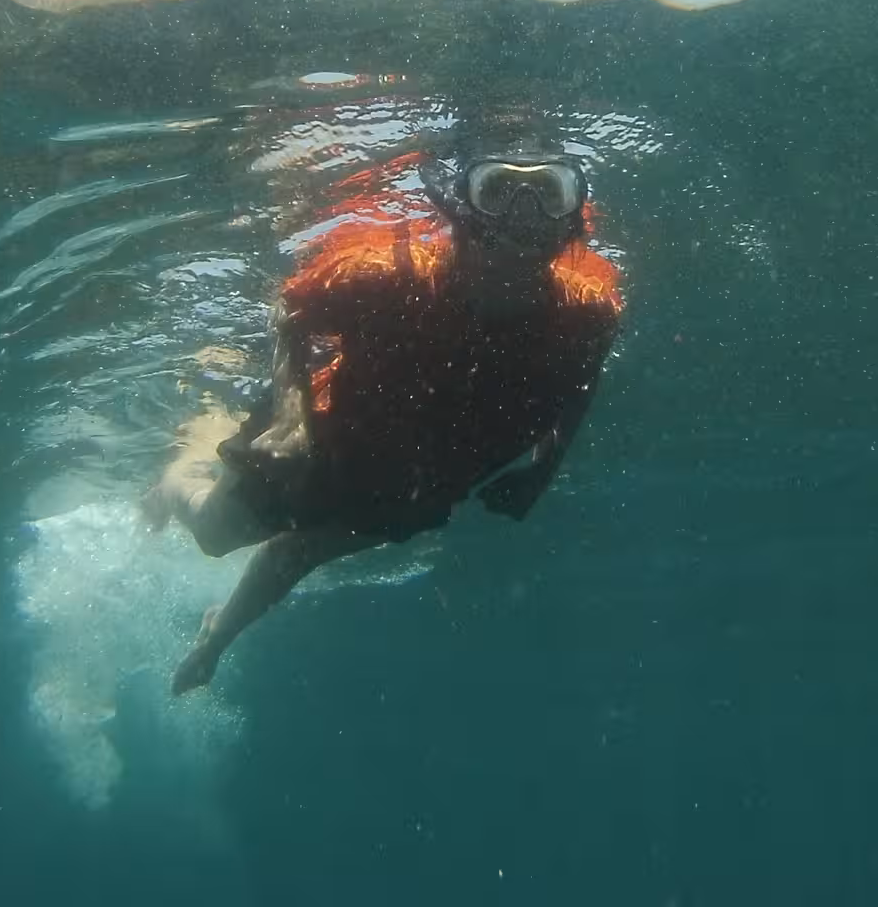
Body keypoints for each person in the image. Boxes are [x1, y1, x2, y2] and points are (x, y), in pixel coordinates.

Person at [144, 136, 623, 693]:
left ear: (573, 215)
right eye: (498, 190)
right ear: (461, 207)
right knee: (214, 535)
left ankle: (215, 640)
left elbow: (583, 379)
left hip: (434, 464)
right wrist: (292, 420)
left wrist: (543, 469)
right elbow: (290, 312)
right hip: (335, 432)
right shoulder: (386, 273)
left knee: (305, 552)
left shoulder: (590, 308)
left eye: (547, 192)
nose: (524, 214)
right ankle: (178, 475)